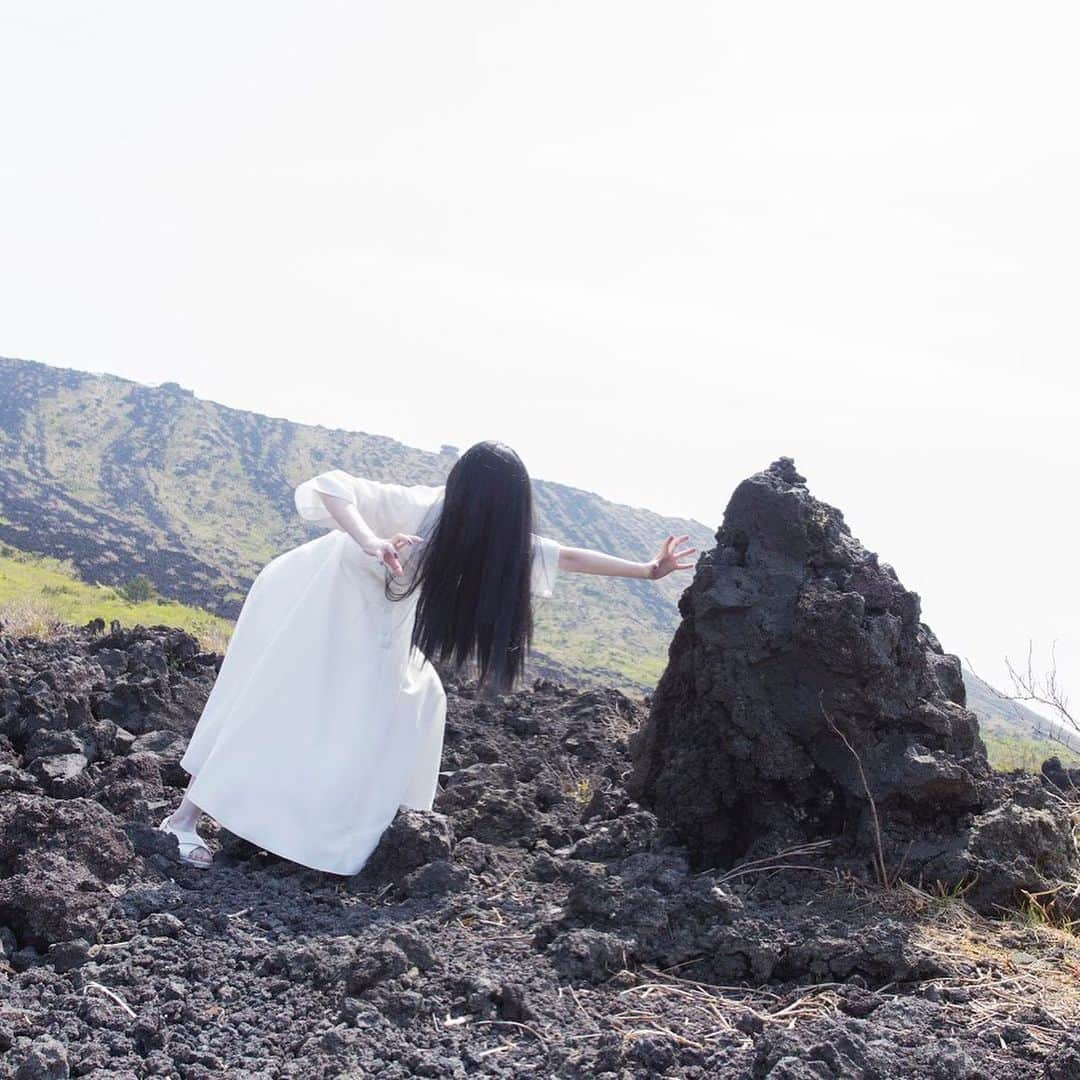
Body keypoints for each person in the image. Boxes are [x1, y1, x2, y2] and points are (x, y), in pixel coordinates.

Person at [158, 440, 697, 873]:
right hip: (314, 597)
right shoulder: (421, 505)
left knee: (416, 702)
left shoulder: (492, 539)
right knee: (279, 702)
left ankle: (346, 830)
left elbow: (564, 556)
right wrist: (372, 541)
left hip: (374, 626)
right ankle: (183, 821)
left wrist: (649, 570)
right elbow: (331, 488)